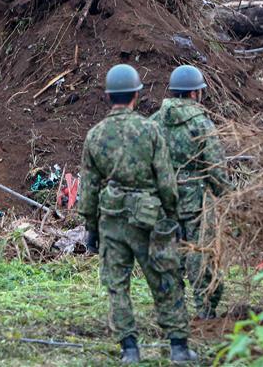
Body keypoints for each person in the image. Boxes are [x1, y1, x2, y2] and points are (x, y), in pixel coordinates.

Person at [79, 64, 196, 364]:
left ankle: (129, 349)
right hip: (148, 217)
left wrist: (91, 228)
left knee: (117, 286)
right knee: (164, 279)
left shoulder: (95, 136)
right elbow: (166, 182)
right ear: (135, 96)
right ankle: (179, 347)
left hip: (112, 219)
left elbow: (89, 189)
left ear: (109, 97)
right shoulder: (150, 130)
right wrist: (173, 218)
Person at [152, 65, 230, 320]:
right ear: (195, 93)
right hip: (196, 202)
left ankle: (172, 312)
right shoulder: (201, 123)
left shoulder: (153, 122)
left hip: (163, 201)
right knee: (200, 256)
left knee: (167, 257)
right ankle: (206, 310)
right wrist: (228, 198)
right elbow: (216, 168)